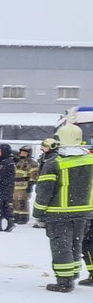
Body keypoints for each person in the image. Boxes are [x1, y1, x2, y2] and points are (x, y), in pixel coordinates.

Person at [33, 123, 93, 292]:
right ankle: (72, 274)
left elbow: (44, 190)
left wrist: (38, 211)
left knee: (61, 246)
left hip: (59, 214)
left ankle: (64, 281)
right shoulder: (90, 159)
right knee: (76, 244)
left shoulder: (55, 162)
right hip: (84, 213)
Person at [11, 145, 39, 225]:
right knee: (15, 201)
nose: (22, 154)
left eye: (24, 152)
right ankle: (16, 216)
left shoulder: (32, 163)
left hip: (24, 186)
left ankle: (24, 217)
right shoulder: (18, 162)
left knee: (22, 202)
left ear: (28, 153)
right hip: (16, 186)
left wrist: (30, 184)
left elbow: (34, 174)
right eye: (21, 152)